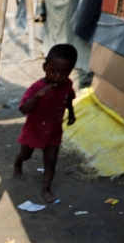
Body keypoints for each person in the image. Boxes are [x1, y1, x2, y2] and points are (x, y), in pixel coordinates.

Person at [13, 44, 78, 203]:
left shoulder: (67, 84)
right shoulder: (37, 87)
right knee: (26, 154)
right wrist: (39, 95)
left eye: (64, 72)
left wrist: (71, 113)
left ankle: (46, 188)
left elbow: (68, 98)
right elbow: (24, 109)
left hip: (54, 130)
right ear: (45, 67)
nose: (58, 77)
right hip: (34, 129)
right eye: (54, 71)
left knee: (51, 160)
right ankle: (17, 163)